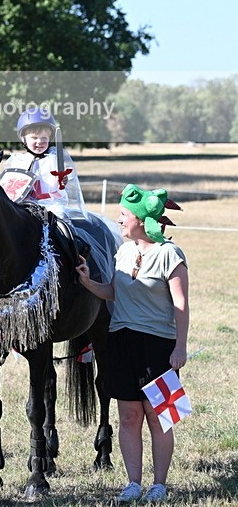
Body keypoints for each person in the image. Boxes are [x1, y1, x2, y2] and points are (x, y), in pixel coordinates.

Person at [76, 184, 189, 504]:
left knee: (160, 417)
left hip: (159, 344)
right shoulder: (123, 252)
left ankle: (160, 485)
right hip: (120, 342)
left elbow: (181, 306)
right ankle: (133, 483)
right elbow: (115, 292)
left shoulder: (171, 254)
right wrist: (87, 282)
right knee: (128, 417)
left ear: (140, 219)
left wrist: (180, 348)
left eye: (124, 215)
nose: (119, 220)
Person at [0, 107, 121, 283]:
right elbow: (10, 187)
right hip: (24, 205)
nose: (39, 142)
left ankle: (71, 261)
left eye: (44, 138)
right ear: (24, 139)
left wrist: (64, 181)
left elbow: (66, 184)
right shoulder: (16, 161)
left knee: (61, 222)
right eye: (34, 138)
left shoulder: (55, 159)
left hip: (51, 204)